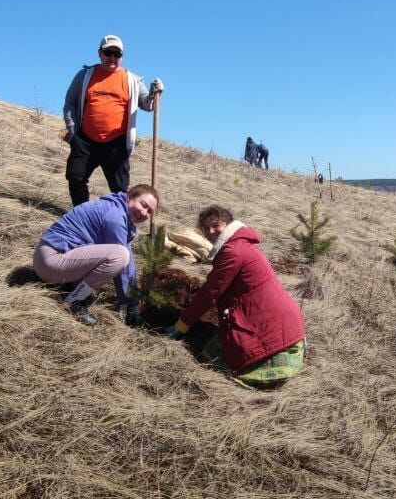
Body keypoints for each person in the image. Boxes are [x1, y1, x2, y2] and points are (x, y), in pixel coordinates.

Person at [169, 205, 306, 389]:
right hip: (284, 319)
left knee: (214, 358)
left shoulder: (233, 251)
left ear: (228, 224)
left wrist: (181, 326)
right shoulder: (241, 244)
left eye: (215, 225)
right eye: (206, 229)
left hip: (272, 322)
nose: (210, 232)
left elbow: (210, 293)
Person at [31, 184, 158, 326]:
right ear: (130, 196)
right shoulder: (115, 217)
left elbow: (130, 264)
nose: (144, 212)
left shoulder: (120, 212)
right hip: (50, 260)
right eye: (143, 204)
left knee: (121, 254)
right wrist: (129, 305)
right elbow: (123, 263)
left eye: (149, 211)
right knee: (119, 256)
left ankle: (71, 286)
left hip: (51, 258)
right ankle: (74, 300)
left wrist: (132, 301)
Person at [63, 35, 163, 206]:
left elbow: (148, 105)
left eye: (116, 54)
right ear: (100, 53)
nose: (112, 57)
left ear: (122, 57)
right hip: (85, 140)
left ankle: (120, 221)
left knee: (120, 189)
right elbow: (70, 102)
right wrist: (73, 132)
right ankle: (82, 214)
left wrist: (154, 94)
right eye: (108, 52)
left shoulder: (132, 80)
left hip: (116, 143)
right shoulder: (85, 76)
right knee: (75, 177)